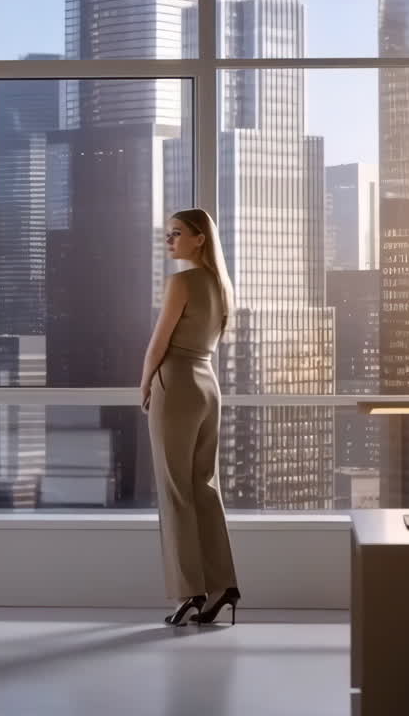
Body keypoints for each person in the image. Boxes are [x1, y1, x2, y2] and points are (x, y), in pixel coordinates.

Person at [140, 208, 241, 626]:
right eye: (167, 234)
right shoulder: (222, 284)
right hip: (207, 384)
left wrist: (145, 383)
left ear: (200, 238)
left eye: (177, 233)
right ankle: (223, 585)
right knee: (204, 487)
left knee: (175, 491)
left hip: (177, 382)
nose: (169, 241)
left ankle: (190, 591)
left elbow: (159, 342)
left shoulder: (180, 282)